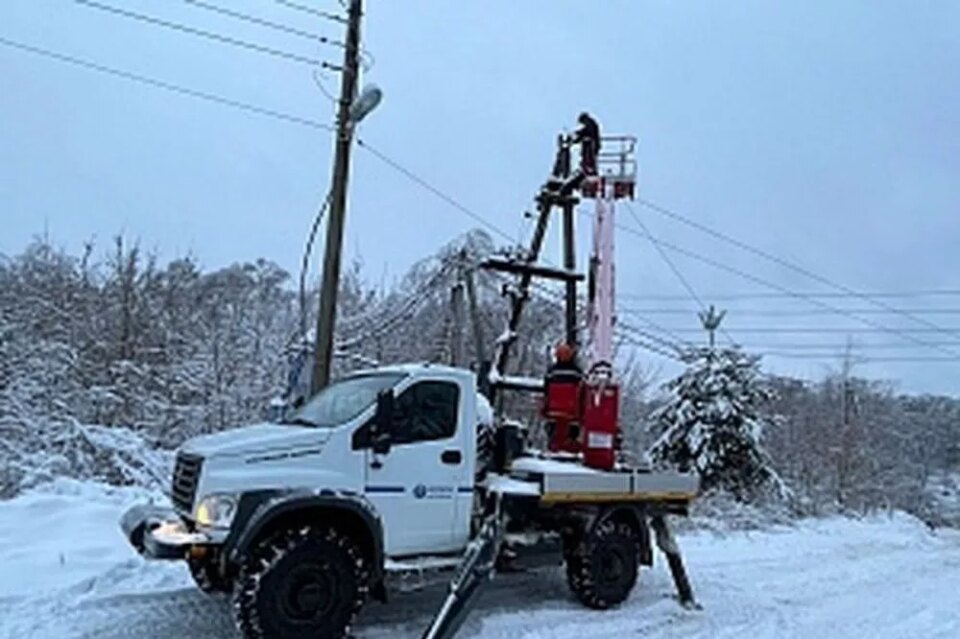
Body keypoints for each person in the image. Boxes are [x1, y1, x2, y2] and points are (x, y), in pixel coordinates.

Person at [571, 112, 601, 177]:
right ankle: (589, 168)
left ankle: (590, 169)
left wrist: (577, 137)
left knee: (590, 158)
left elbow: (586, 133)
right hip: (593, 144)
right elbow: (584, 132)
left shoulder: (590, 123)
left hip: (592, 145)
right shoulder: (591, 123)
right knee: (590, 158)